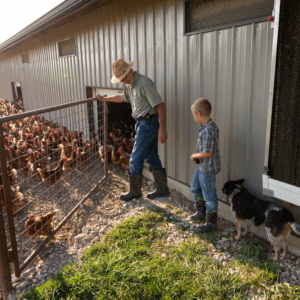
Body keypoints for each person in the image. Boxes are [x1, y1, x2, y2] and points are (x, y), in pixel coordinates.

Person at [95, 59, 170, 201]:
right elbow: (122, 97)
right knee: (152, 155)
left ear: (130, 71)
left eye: (124, 78)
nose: (123, 81)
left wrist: (163, 129)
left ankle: (135, 191)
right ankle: (162, 189)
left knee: (135, 158)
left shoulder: (144, 83)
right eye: (121, 80)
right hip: (142, 123)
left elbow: (160, 105)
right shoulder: (129, 85)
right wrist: (104, 99)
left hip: (148, 123)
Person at [190, 98, 221, 231]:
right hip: (202, 166)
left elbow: (208, 152)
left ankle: (211, 223)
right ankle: (201, 212)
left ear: (199, 114)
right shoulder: (206, 127)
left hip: (207, 169)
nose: (194, 117)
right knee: (196, 187)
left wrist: (195, 155)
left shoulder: (208, 130)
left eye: (193, 115)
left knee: (209, 195)